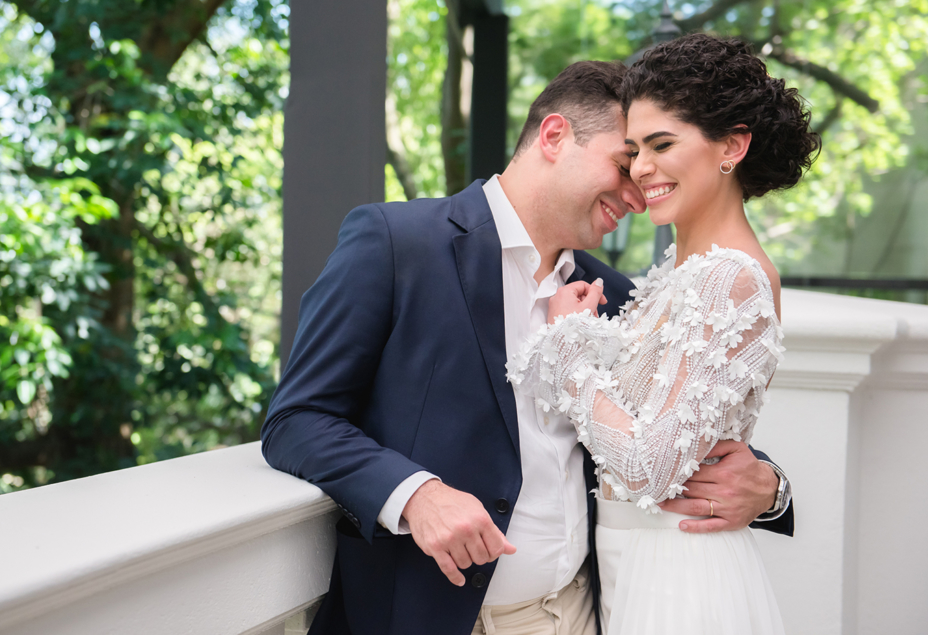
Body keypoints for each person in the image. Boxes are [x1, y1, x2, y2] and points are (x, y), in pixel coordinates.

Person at [261, 58, 794, 635]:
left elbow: (664, 426)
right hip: (435, 618)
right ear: (555, 135)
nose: (637, 188)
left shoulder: (614, 294)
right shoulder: (396, 245)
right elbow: (298, 418)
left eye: (649, 156)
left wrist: (771, 489)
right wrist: (414, 494)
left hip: (588, 612)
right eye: (624, 161)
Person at [508, 34, 816, 634]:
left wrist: (571, 345)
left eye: (661, 144)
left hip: (677, 575)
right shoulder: (667, 279)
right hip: (623, 572)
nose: (641, 169)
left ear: (732, 145)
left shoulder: (731, 277)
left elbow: (649, 464)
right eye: (632, 150)